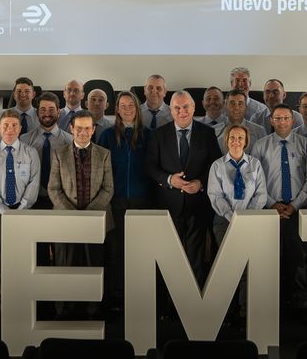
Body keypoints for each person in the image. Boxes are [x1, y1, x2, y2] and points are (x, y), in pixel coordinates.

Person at [145, 90, 222, 288]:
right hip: (169, 205)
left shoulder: (207, 133)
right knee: (170, 257)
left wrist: (200, 183)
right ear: (170, 110)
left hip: (199, 205)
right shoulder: (158, 135)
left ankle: (194, 302)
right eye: (177, 108)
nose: (182, 111)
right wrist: (170, 180)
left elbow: (215, 166)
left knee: (195, 257)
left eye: (186, 107)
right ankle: (171, 305)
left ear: (194, 107)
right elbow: (150, 167)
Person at [48, 112, 114, 318]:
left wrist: (88, 217)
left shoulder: (104, 154)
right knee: (65, 266)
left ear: (94, 130)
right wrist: (74, 216)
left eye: (87, 128)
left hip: (97, 222)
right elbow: (53, 189)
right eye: (79, 128)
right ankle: (64, 309)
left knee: (93, 266)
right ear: (71, 129)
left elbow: (108, 188)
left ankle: (93, 310)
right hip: (65, 222)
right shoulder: (59, 153)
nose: (83, 132)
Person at [253, 104, 307, 317]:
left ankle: (299, 304)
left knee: (297, 258)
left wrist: (294, 205)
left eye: (286, 118)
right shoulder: (260, 146)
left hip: (297, 210)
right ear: (271, 120)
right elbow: (256, 180)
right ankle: (271, 303)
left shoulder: (306, 145)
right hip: (268, 209)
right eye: (277, 118)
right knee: (269, 258)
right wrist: (271, 204)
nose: (282, 122)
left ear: (293, 120)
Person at [96, 91, 153, 311]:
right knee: (116, 251)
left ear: (137, 108)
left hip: (142, 202)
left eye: (131, 105)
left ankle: (139, 298)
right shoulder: (107, 135)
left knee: (140, 252)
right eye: (123, 105)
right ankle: (116, 298)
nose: (127, 108)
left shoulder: (149, 136)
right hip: (115, 201)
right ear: (117, 109)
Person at [0, 110, 41, 321]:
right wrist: (5, 211)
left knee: (26, 261)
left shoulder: (30, 153)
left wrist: (21, 210)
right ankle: (2, 308)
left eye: (14, 125)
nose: (9, 129)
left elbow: (34, 183)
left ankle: (24, 305)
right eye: (5, 125)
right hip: (0, 214)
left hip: (25, 214)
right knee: (1, 263)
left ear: (20, 128)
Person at [208, 124, 270, 323]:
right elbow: (215, 196)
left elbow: (261, 195)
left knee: (246, 267)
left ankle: (244, 312)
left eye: (240, 138)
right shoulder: (217, 166)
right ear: (226, 141)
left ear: (246, 141)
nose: (236, 141)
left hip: (249, 222)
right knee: (226, 267)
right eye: (232, 138)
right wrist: (231, 216)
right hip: (223, 222)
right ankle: (225, 311)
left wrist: (246, 218)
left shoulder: (255, 165)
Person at [216, 88, 266, 153]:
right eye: (232, 103)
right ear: (226, 105)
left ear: (245, 106)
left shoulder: (259, 132)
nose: (236, 107)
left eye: (240, 103)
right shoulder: (214, 131)